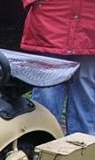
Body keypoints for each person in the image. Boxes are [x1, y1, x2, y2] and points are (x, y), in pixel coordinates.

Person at [21, 0, 95, 136]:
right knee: (46, 99)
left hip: (89, 29)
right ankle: (41, 143)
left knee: (85, 101)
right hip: (49, 26)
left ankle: (82, 147)